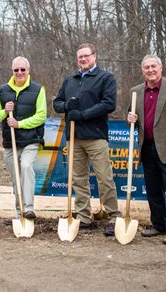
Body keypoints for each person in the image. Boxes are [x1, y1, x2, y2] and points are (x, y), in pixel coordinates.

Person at [53, 43, 121, 237]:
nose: (83, 59)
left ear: (94, 56)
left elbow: (108, 104)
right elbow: (57, 103)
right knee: (78, 179)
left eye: (86, 56)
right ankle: (84, 216)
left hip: (96, 136)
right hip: (74, 137)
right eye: (80, 57)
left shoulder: (105, 78)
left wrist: (82, 115)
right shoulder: (70, 80)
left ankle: (113, 215)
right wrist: (67, 105)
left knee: (104, 178)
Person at [127, 54, 166, 245]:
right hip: (146, 148)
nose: (150, 70)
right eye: (146, 67)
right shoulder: (136, 91)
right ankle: (159, 224)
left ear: (161, 67)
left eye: (153, 66)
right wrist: (130, 119)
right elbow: (132, 118)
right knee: (153, 191)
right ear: (142, 71)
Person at [0, 56, 46, 221]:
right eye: (16, 70)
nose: (19, 73)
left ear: (28, 70)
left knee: (26, 166)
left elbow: (41, 116)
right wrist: (4, 111)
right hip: (10, 142)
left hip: (31, 140)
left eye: (23, 69)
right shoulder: (3, 90)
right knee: (16, 178)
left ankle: (29, 208)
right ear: (12, 71)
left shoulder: (38, 89)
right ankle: (19, 212)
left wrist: (19, 124)